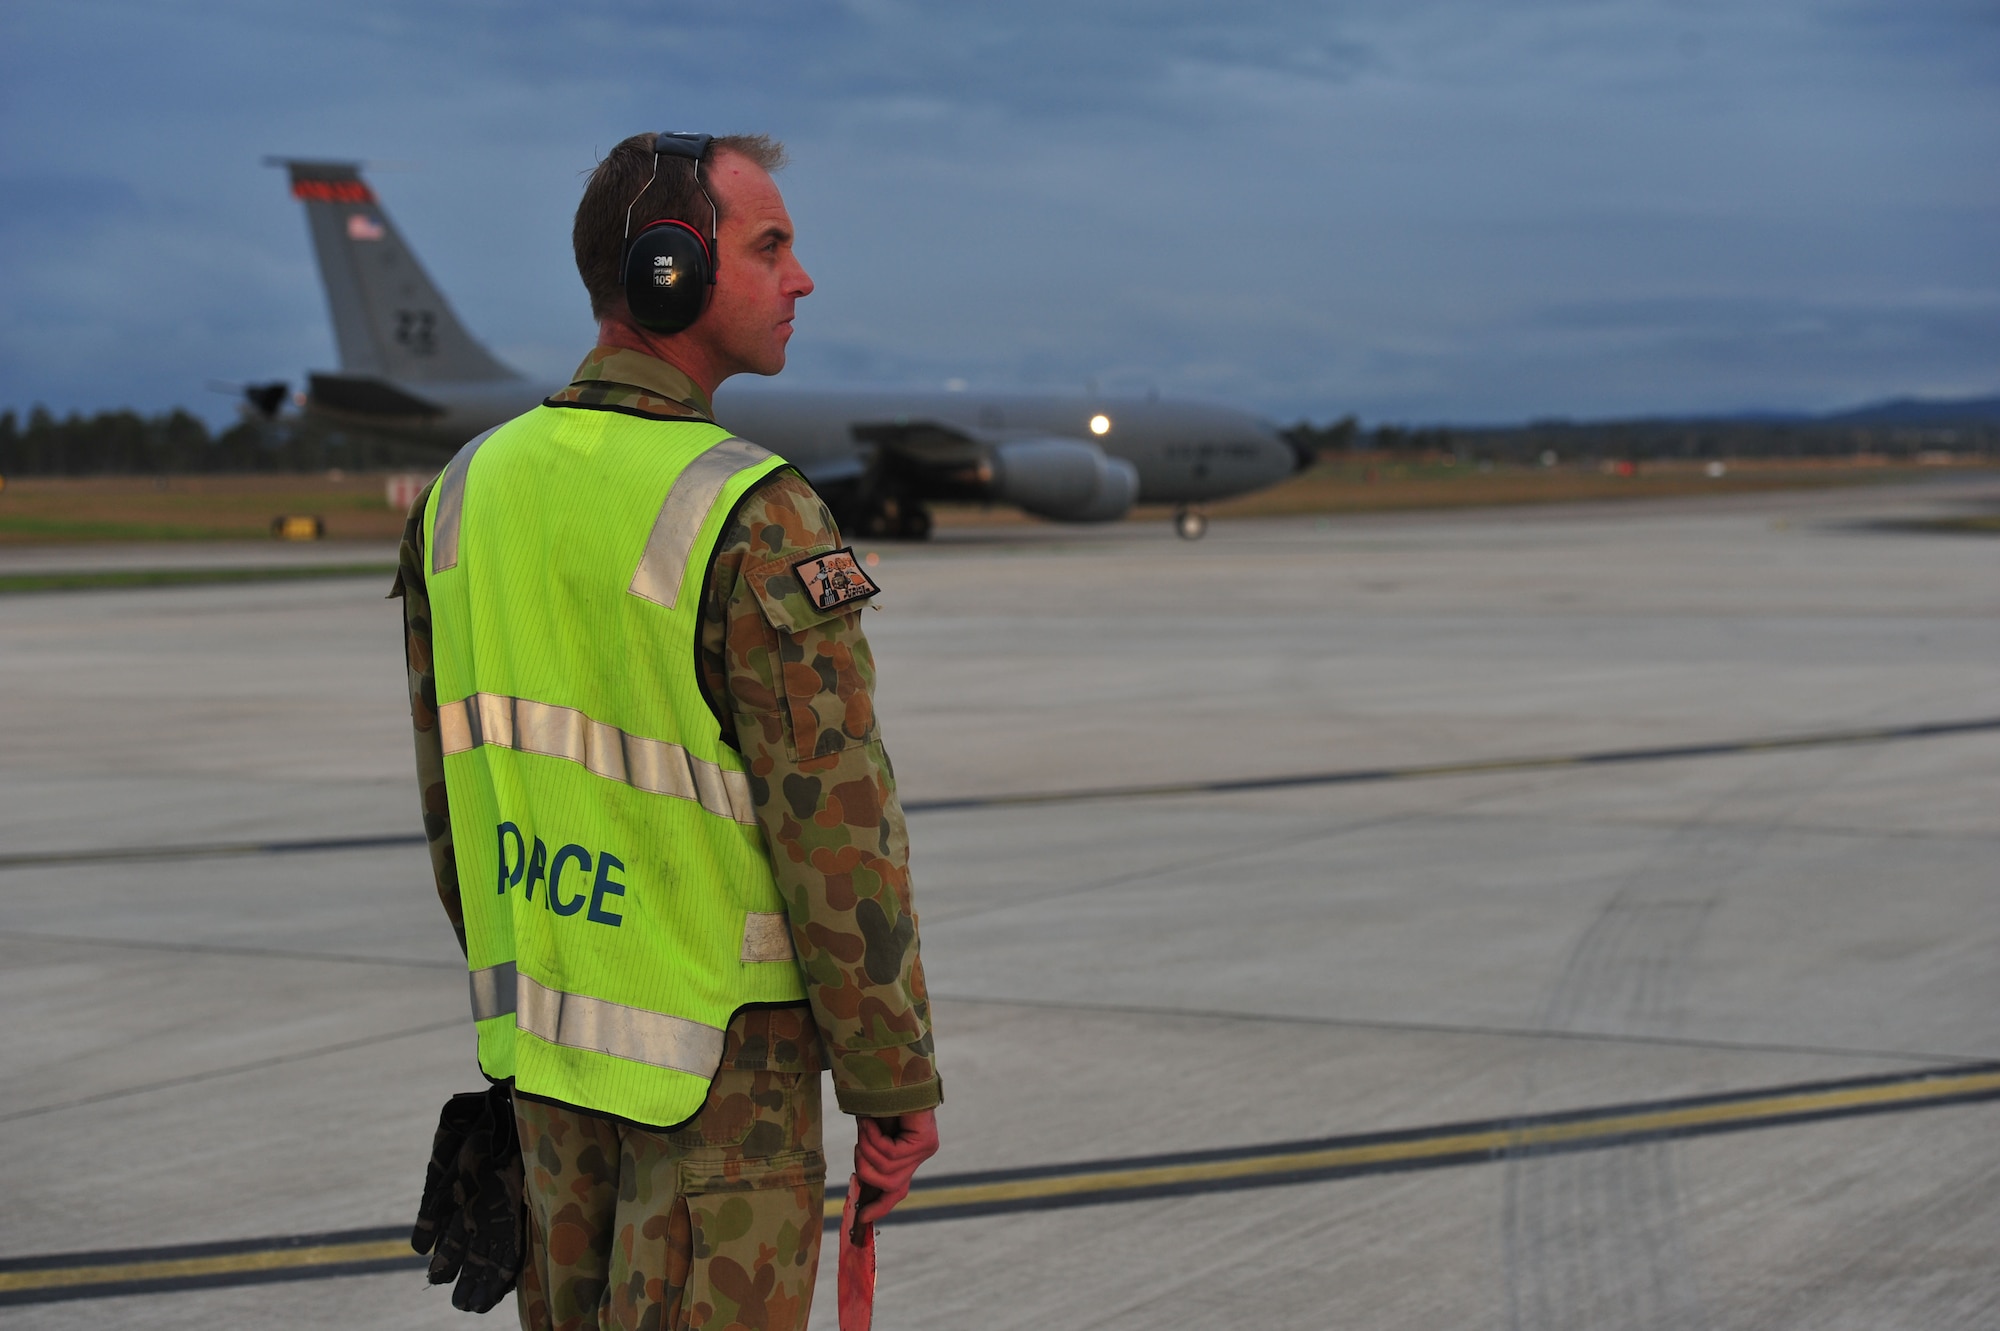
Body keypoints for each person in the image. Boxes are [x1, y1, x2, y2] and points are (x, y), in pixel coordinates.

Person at [393, 131, 940, 1331]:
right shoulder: (754, 510)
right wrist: (891, 1076)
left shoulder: (463, 495)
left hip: (546, 1064)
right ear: (668, 271)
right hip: (721, 1087)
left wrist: (529, 1032)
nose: (801, 278)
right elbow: (836, 833)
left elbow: (454, 811)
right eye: (770, 247)